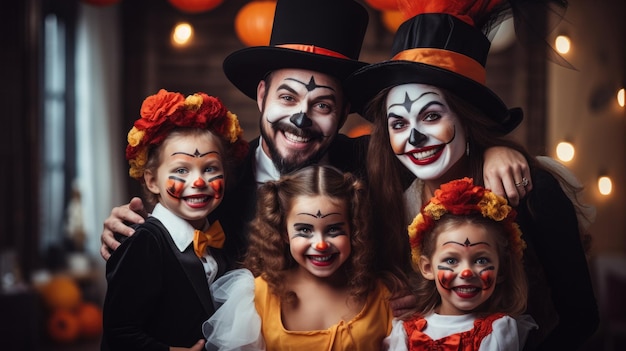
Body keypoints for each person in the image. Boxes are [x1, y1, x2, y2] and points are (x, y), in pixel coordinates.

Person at [99, 0, 531, 316]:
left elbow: (443, 147)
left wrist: (494, 150)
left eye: (322, 105)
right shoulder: (213, 182)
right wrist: (133, 228)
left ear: (343, 113)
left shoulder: (374, 164)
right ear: (262, 95)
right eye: (287, 96)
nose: (300, 118)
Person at [344, 0, 599, 349]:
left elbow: (580, 317)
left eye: (432, 116)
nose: (414, 137)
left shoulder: (529, 190)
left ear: (467, 117)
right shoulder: (392, 200)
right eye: (399, 123)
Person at [101, 89, 248, 351]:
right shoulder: (143, 243)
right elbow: (119, 333)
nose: (199, 182)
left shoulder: (218, 239)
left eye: (210, 168)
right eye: (181, 170)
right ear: (151, 180)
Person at [203, 165, 402, 350]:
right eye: (305, 230)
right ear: (283, 232)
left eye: (333, 229)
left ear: (354, 229)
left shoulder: (384, 295)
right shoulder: (256, 298)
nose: (321, 244)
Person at [384, 178, 533, 350]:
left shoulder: (498, 331)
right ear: (427, 268)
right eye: (451, 260)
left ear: (501, 270)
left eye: (481, 260)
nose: (466, 272)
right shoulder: (403, 332)